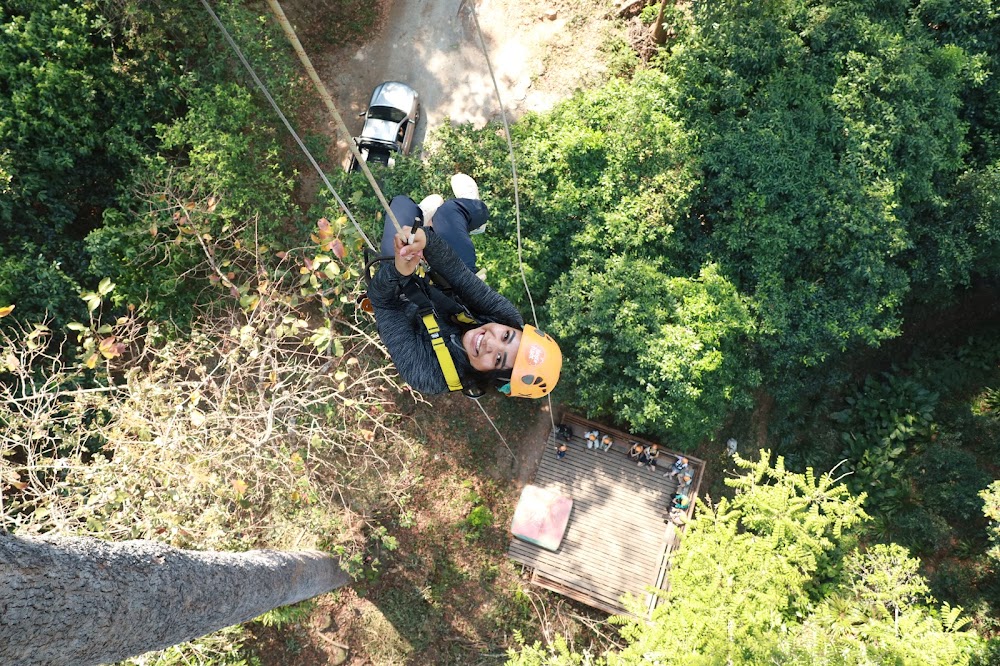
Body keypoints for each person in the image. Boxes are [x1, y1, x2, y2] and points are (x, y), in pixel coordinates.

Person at [367, 174, 562, 398]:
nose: (490, 341)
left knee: (402, 205)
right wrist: (425, 240)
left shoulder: (430, 374)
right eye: (506, 336)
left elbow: (383, 303)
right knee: (450, 212)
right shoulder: (506, 317)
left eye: (498, 359)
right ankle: (475, 210)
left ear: (492, 378)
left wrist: (399, 271)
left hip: (398, 297)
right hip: (447, 286)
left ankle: (420, 214)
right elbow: (459, 275)